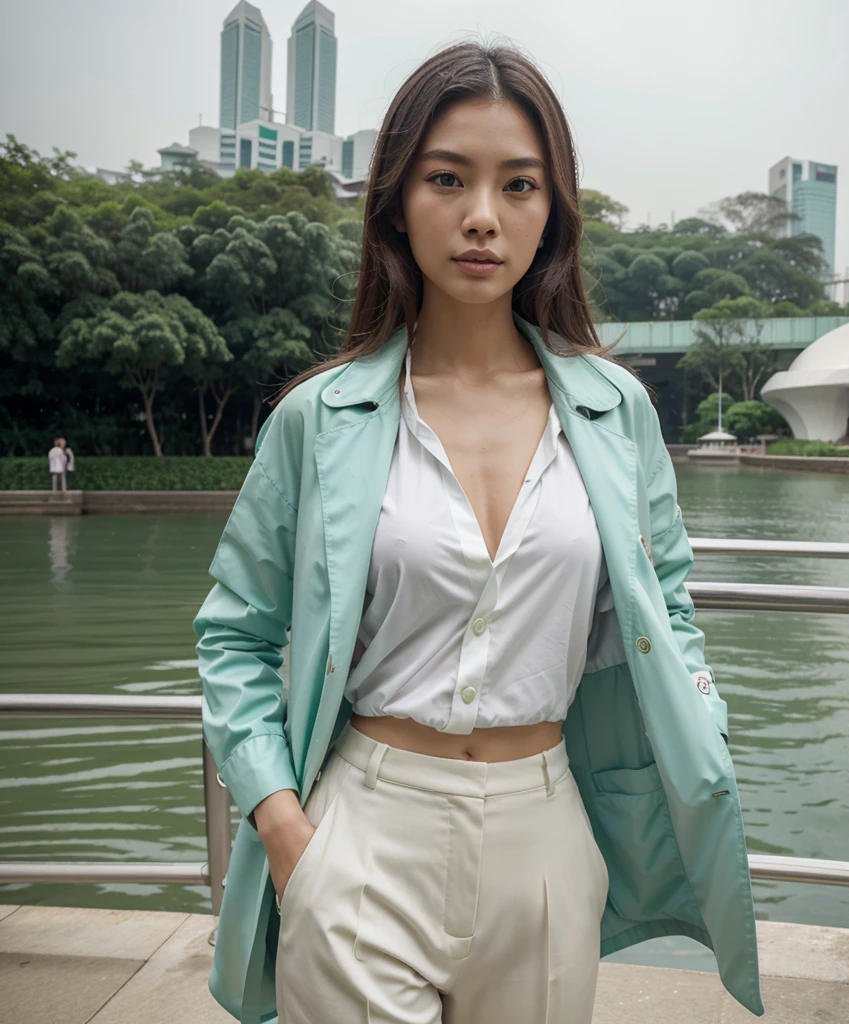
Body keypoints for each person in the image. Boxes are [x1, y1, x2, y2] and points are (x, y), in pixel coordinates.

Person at [194, 41, 764, 1024]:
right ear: (396, 200)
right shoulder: (318, 419)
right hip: (363, 827)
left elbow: (666, 606)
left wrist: (700, 726)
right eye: (447, 178)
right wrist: (288, 830)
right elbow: (235, 632)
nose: (481, 217)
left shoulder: (615, 413)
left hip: (545, 833)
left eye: (519, 184)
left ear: (552, 210)